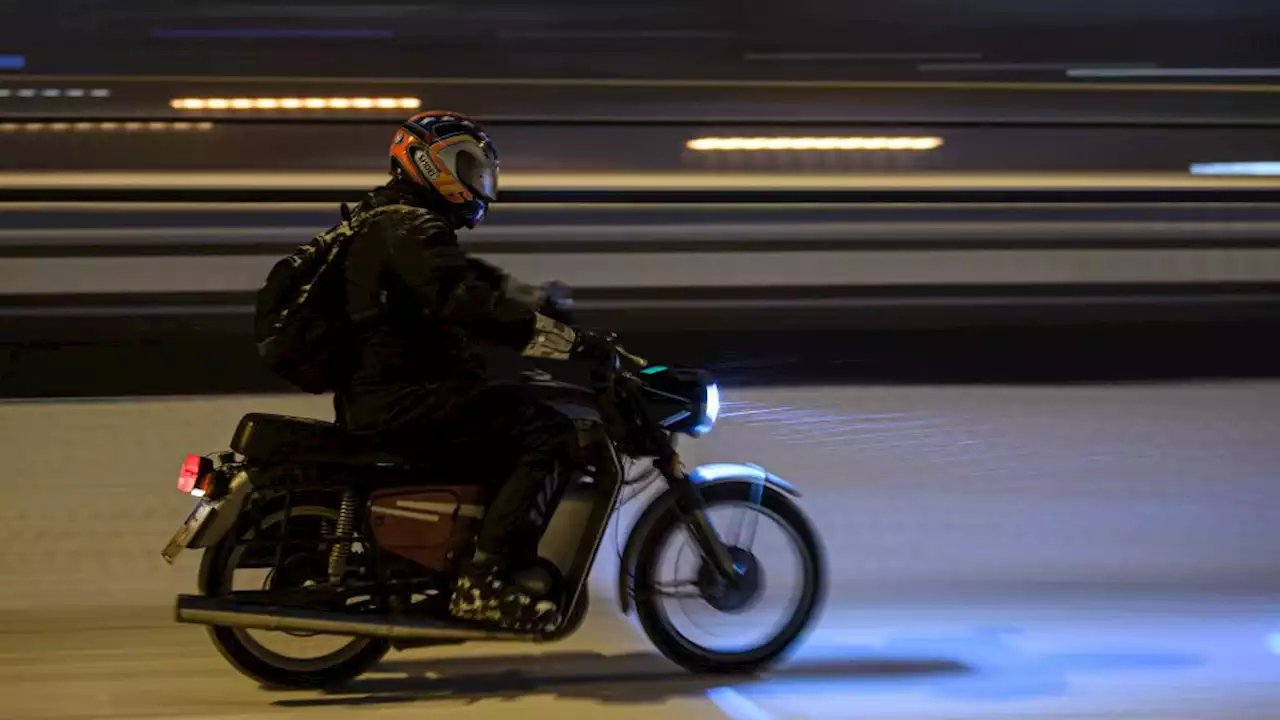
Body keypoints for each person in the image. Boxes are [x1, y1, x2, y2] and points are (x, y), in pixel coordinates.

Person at [335, 110, 611, 630]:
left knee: (507, 402)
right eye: (467, 166)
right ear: (428, 162)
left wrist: (532, 303)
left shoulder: (398, 221)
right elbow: (460, 299)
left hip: (392, 386)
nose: (478, 182)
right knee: (547, 433)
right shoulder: (407, 227)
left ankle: (471, 553)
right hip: (398, 394)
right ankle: (483, 581)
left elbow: (463, 282)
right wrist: (557, 338)